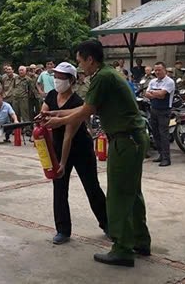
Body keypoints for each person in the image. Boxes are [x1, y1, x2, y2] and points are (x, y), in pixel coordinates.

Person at [41, 40, 150, 267]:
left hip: (125, 140)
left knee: (118, 195)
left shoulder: (101, 77)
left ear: (90, 59)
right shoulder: (108, 74)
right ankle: (140, 240)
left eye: (81, 61)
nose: (81, 66)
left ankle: (122, 248)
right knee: (132, 192)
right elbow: (84, 108)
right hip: (132, 139)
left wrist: (56, 121)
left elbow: (85, 112)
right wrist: (55, 113)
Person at [41, 62, 107, 244]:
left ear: (71, 80)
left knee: (92, 187)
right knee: (60, 188)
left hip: (80, 149)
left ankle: (107, 224)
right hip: (57, 146)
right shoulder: (52, 95)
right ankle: (62, 230)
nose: (57, 80)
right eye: (55, 76)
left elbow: (69, 136)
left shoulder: (78, 102)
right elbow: (44, 114)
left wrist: (62, 163)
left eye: (61, 77)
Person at [145, 62, 176, 167]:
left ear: (165, 70)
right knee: (155, 133)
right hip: (153, 109)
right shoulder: (153, 81)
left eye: (159, 70)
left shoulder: (169, 82)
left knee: (163, 134)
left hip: (164, 111)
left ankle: (167, 158)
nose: (157, 72)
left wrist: (153, 93)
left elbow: (162, 95)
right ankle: (161, 154)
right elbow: (146, 94)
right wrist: (156, 94)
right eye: (156, 70)